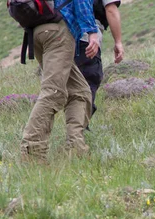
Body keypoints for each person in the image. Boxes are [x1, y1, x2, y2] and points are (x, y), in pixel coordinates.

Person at [21, 0, 99, 161]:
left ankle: (77, 149)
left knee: (80, 92)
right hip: (58, 31)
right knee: (53, 92)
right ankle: (32, 152)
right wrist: (92, 32)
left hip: (37, 31)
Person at [74, 0, 124, 123]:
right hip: (86, 37)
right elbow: (111, 9)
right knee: (87, 84)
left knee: (67, 87)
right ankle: (78, 133)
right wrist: (118, 42)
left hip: (57, 36)